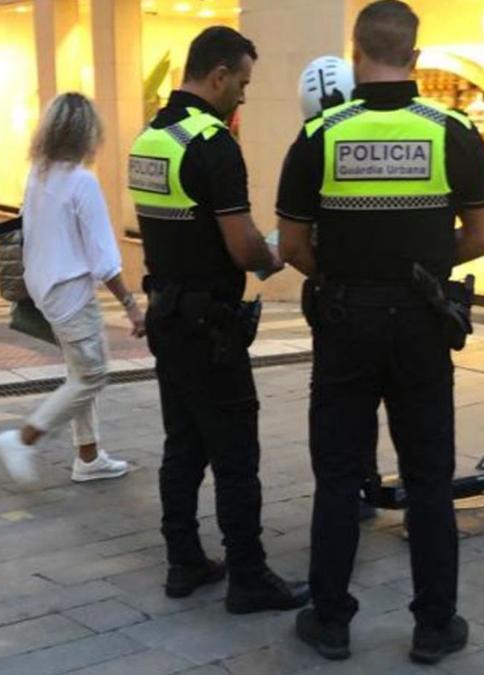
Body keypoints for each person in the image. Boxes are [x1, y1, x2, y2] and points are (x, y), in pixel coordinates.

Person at [277, 0, 484, 664]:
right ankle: (434, 626)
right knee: (429, 475)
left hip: (345, 322)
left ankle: (331, 620)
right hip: (423, 321)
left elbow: (291, 244)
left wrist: (345, 273)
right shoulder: (453, 130)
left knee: (340, 475)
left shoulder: (320, 135)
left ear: (355, 54)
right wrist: (424, 269)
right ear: (415, 56)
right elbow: (483, 237)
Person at [128, 26, 307, 615]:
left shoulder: (150, 138)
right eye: (244, 83)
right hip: (211, 328)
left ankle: (184, 561)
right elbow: (241, 246)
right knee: (235, 457)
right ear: (219, 75)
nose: (245, 98)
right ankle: (248, 576)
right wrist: (272, 253)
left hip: (167, 318)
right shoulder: (213, 144)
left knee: (182, 445)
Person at [0, 93, 146, 484]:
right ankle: (24, 439)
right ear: (86, 134)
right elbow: (104, 258)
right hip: (71, 294)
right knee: (92, 375)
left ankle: (89, 456)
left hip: (44, 290)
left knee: (79, 372)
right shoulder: (81, 182)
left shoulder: (38, 175)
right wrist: (130, 305)